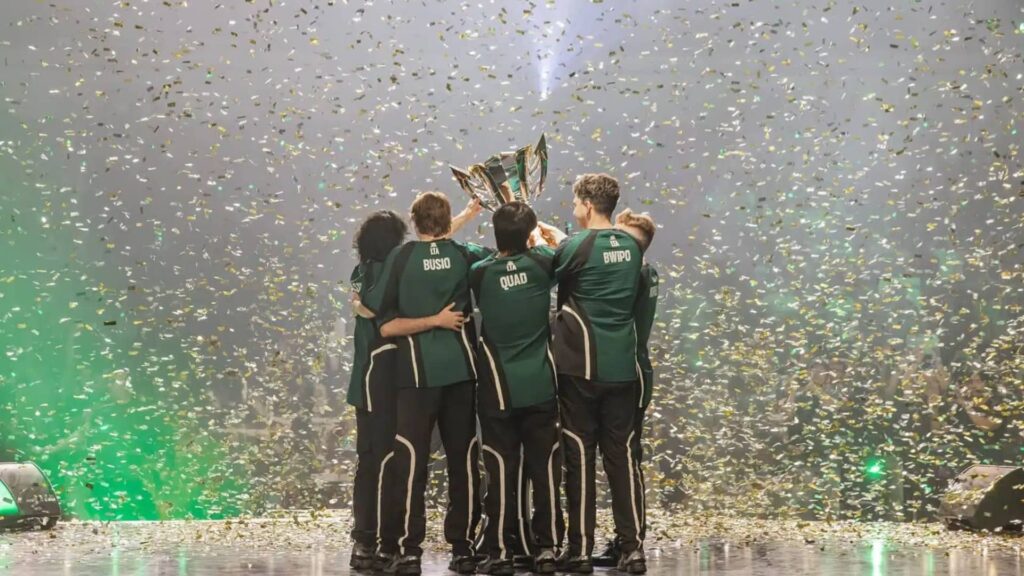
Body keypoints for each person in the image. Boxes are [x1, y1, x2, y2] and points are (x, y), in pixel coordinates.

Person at [347, 203, 480, 570]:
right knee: (440, 460)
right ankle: (455, 546)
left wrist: (359, 306)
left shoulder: (397, 262)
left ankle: (394, 544)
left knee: (391, 461)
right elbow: (440, 247)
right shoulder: (455, 256)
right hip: (420, 376)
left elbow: (381, 318)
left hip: (399, 378)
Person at [550, 174, 646, 574]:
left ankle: (580, 549)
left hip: (582, 368)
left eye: (575, 203)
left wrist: (550, 242)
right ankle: (632, 547)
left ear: (587, 205)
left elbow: (551, 268)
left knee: (580, 457)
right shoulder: (632, 246)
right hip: (624, 367)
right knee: (622, 458)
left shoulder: (576, 245)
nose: (574, 210)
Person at [468, 202, 564, 576]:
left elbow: (488, 259)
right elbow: (557, 244)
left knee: (500, 472)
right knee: (545, 472)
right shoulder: (543, 264)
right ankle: (547, 550)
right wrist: (537, 233)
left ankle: (501, 552)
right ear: (528, 234)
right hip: (540, 386)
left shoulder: (479, 273)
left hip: (497, 391)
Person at [592, 209, 657, 569]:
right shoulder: (642, 272)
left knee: (626, 460)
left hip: (629, 370)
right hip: (633, 369)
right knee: (626, 459)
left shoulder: (637, 275)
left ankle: (630, 542)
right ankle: (627, 539)